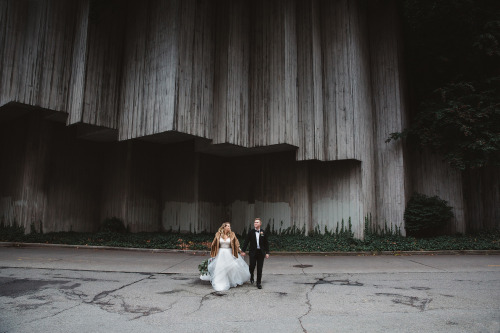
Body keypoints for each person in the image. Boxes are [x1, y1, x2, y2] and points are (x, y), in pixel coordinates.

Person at [200, 222, 250, 291]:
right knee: (220, 268)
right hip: (221, 253)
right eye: (228, 226)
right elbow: (214, 244)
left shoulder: (232, 234)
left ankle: (231, 281)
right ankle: (220, 281)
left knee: (232, 266)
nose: (229, 228)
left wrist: (240, 250)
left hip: (229, 253)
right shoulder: (218, 234)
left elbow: (236, 244)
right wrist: (213, 253)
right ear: (224, 227)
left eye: (230, 226)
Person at [241, 217, 269, 289]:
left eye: (257, 222)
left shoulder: (263, 232)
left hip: (261, 252)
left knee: (260, 268)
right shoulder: (251, 232)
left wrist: (267, 252)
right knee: (252, 266)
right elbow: (246, 242)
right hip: (253, 252)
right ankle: (252, 276)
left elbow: (266, 243)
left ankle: (258, 283)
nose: (255, 223)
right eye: (254, 222)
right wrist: (243, 251)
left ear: (260, 224)